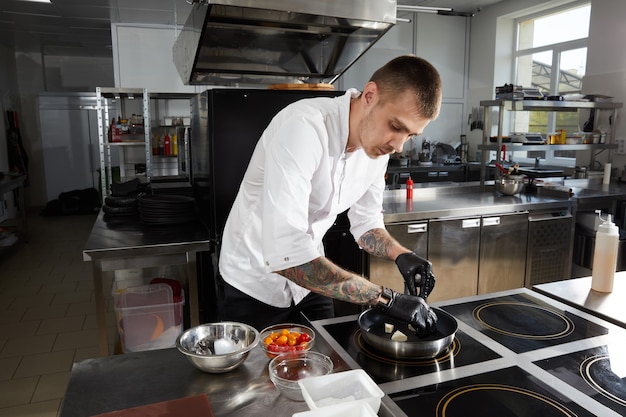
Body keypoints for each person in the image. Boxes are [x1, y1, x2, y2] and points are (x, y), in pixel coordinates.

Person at [217, 55, 441, 334]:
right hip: (254, 281)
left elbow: (366, 223)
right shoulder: (304, 128)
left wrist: (402, 255)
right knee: (259, 375)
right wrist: (386, 299)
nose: (398, 145)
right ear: (370, 95)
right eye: (396, 126)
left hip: (310, 277)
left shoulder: (378, 149)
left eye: (410, 135)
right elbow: (288, 253)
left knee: (328, 362)